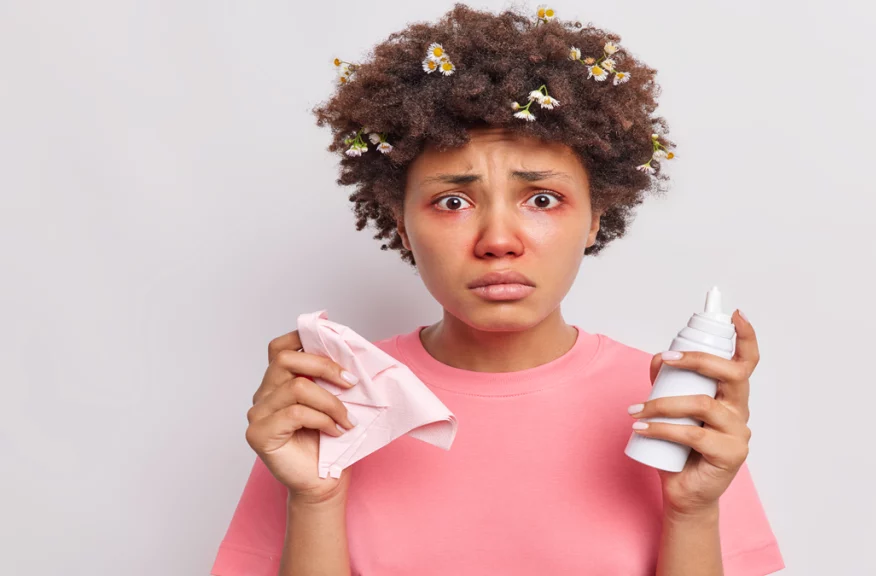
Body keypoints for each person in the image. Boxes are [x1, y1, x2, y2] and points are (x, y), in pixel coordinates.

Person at [211, 4, 784, 575]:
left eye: (541, 198)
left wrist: (692, 511)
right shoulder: (334, 401)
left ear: (594, 218)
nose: (499, 240)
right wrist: (315, 499)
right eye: (453, 202)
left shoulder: (673, 407)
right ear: (400, 221)